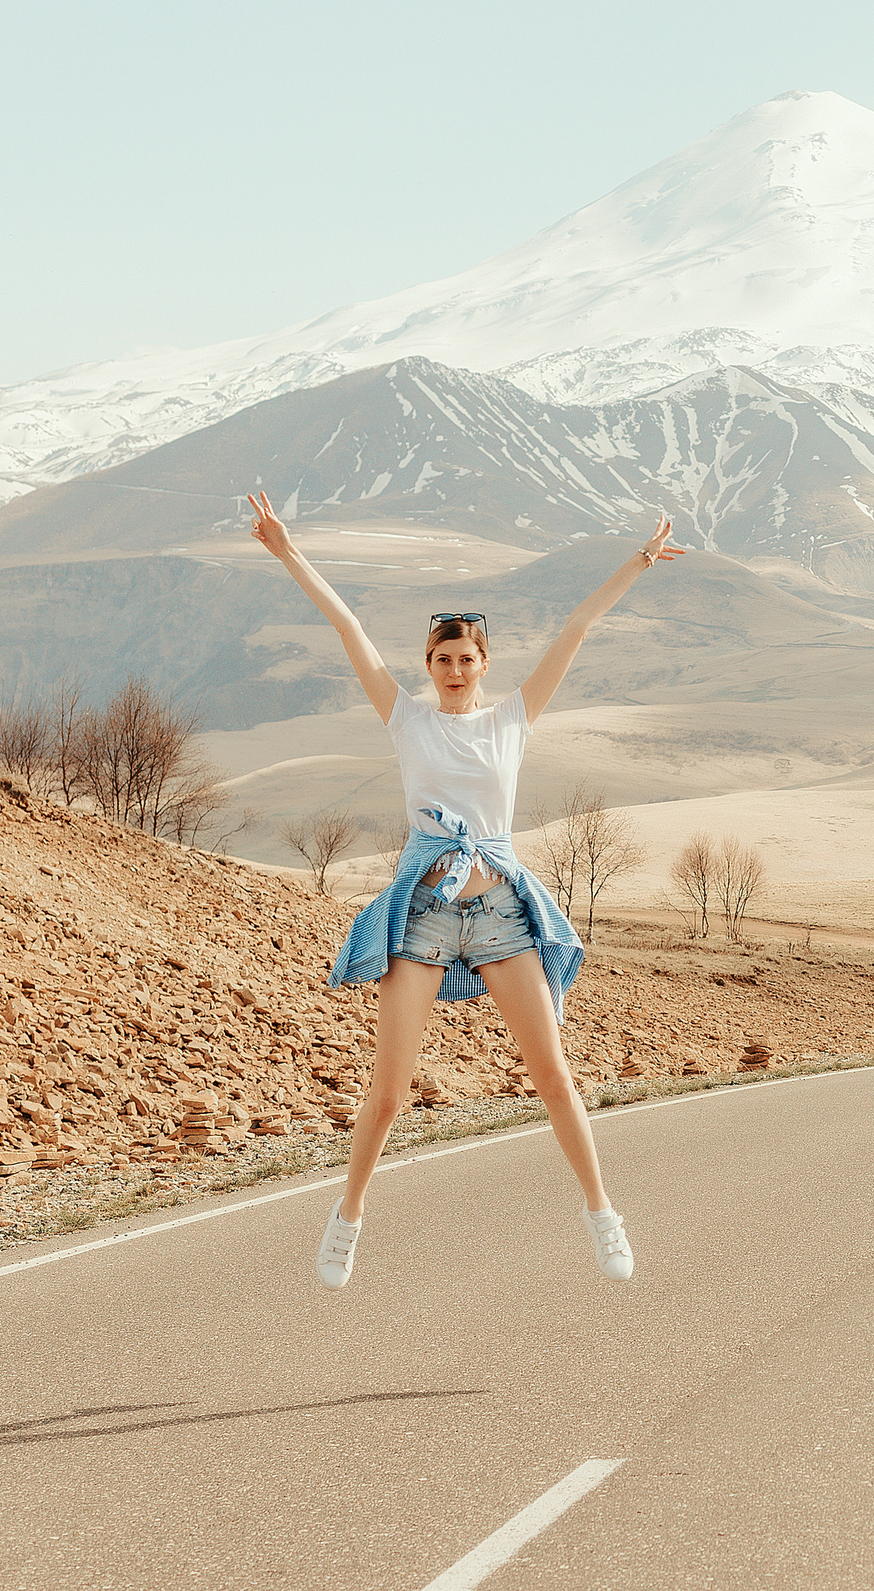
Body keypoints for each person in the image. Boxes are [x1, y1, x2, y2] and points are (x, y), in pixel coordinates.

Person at [245, 490, 682, 1288]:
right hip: (424, 917)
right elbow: (349, 628)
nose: (453, 671)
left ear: (484, 665)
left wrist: (641, 560)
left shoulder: (513, 717)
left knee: (552, 1077)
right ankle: (347, 1221)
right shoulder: (407, 718)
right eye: (442, 660)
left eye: (467, 660)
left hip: (500, 914)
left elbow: (577, 628)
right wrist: (284, 549)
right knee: (388, 1092)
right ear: (429, 666)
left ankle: (603, 1216)